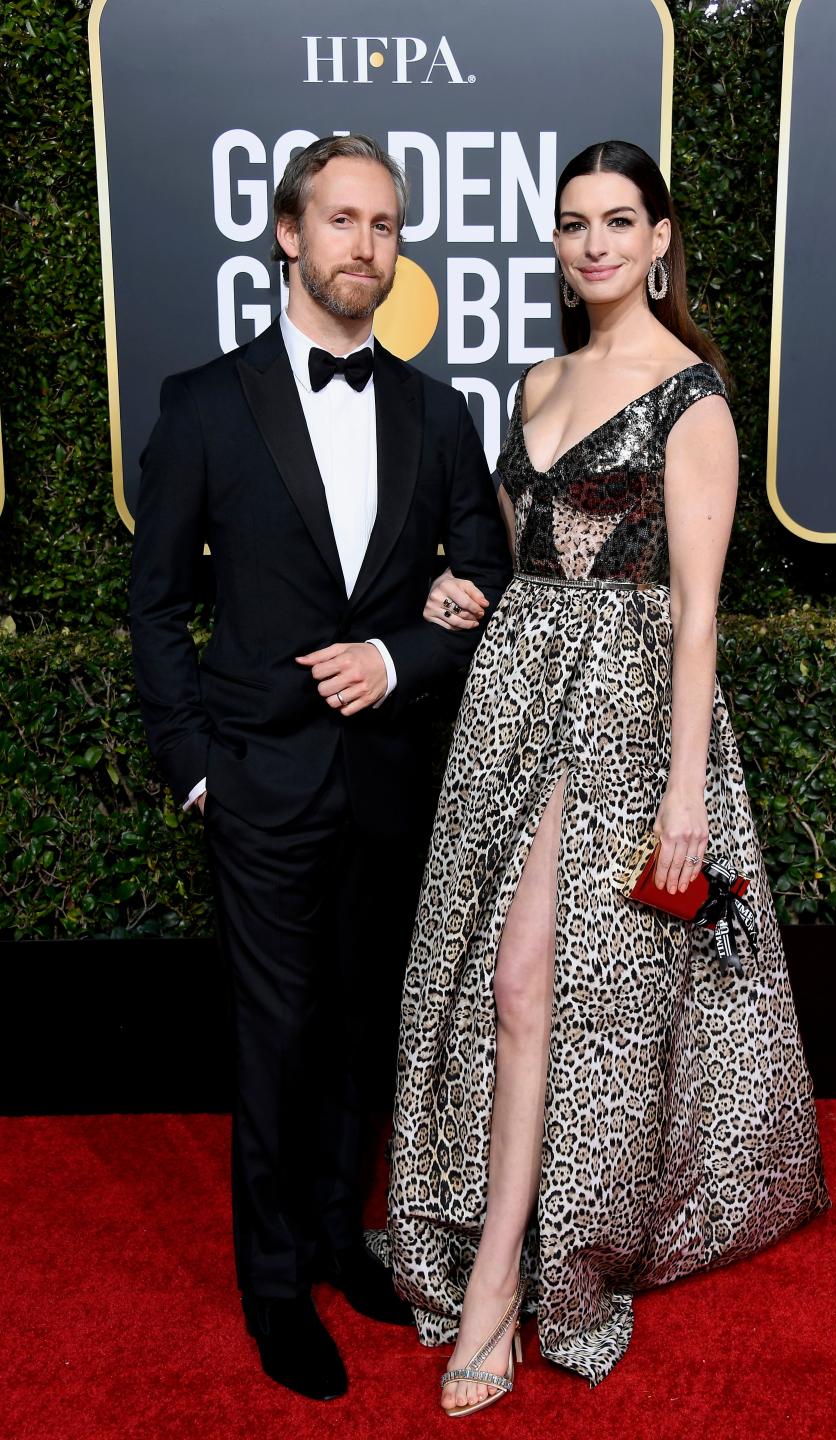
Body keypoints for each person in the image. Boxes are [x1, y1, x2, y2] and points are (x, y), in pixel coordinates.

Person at [385, 140, 830, 1413]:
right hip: (512, 703)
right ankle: (497, 1250)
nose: (594, 245)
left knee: (538, 986)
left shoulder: (695, 398)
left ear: (660, 238)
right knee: (492, 984)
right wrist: (461, 587)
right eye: (575, 223)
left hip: (629, 717)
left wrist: (685, 792)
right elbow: (525, 556)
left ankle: (498, 1295)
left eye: (618, 221)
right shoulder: (535, 380)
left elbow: (694, 615)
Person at [130, 134, 511, 1402]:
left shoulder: (435, 409)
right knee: (278, 1037)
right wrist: (197, 770)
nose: (365, 243)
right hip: (260, 783)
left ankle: (347, 1238)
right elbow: (154, 607)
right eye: (342, 219)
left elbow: (488, 575)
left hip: (393, 777)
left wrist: (398, 660)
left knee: (364, 1033)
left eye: (386, 224)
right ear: (289, 235)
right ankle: (276, 1284)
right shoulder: (202, 403)